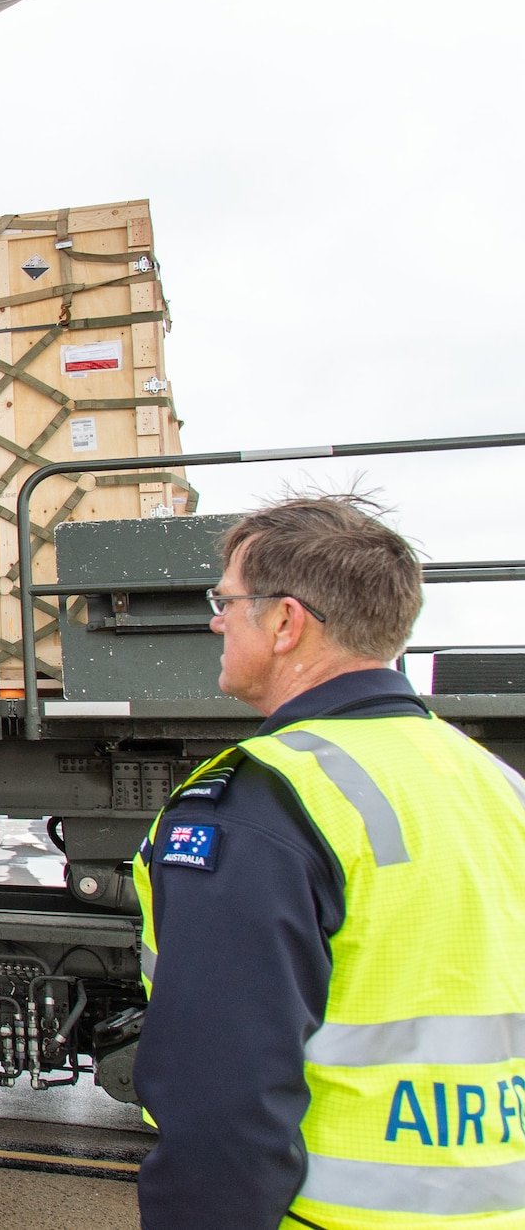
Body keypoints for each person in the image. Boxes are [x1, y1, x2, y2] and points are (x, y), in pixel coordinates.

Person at [133, 496, 525, 1228]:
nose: (216, 618)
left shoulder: (267, 802)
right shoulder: (495, 782)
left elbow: (223, 1105)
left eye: (226, 598)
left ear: (286, 621)